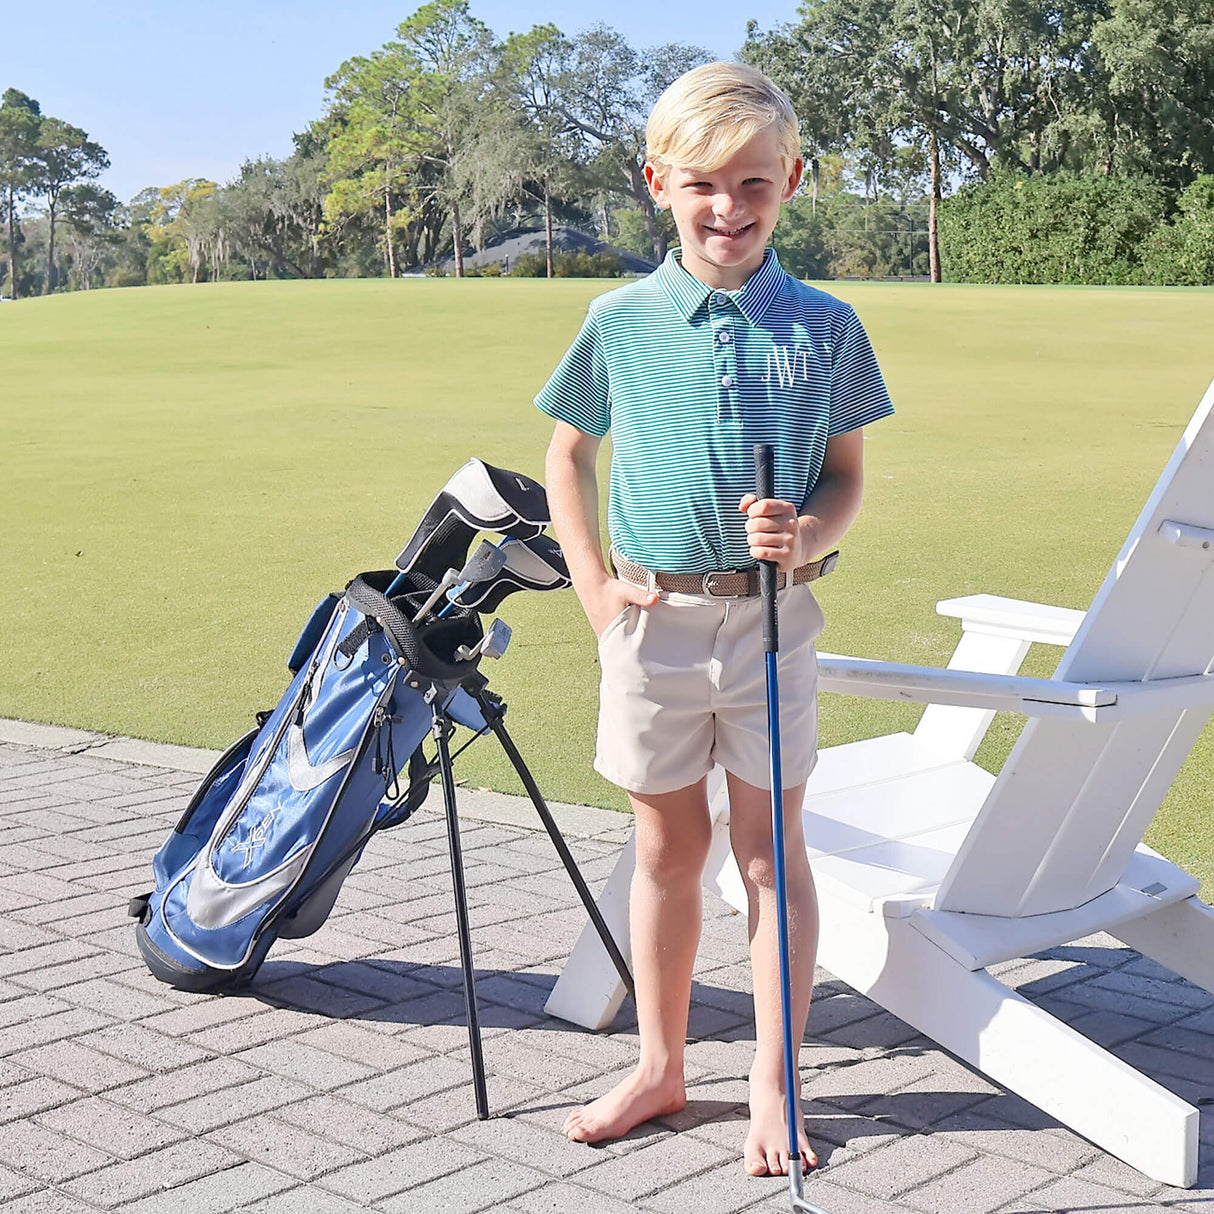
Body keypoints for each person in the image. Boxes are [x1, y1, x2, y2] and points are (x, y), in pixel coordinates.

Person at [536, 61, 894, 1177]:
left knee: (765, 852)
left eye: (752, 183)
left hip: (770, 626)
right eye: (701, 183)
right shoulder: (617, 318)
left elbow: (844, 474)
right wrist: (596, 591)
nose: (727, 208)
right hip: (651, 622)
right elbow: (565, 455)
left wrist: (814, 537)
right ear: (657, 183)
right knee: (664, 846)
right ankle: (658, 1062)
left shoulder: (826, 324)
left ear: (789, 180)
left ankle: (772, 1078)